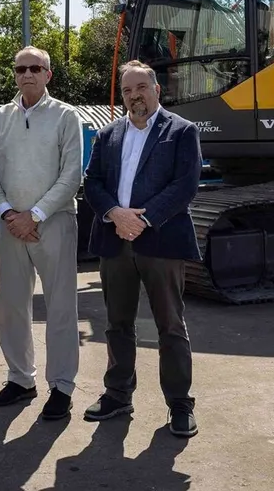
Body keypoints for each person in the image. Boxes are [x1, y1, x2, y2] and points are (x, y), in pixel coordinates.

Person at [81, 59, 202, 438]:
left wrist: (143, 220)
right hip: (115, 242)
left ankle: (180, 405)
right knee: (118, 324)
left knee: (170, 326)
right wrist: (116, 214)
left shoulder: (181, 132)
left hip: (161, 241)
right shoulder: (108, 135)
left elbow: (185, 185)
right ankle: (118, 395)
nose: (135, 96)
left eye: (141, 88)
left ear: (157, 90)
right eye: (128, 90)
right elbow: (93, 181)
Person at [0, 46, 84, 421]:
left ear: (48, 74)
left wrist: (36, 215)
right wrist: (10, 213)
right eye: (20, 68)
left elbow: (71, 174)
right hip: (10, 225)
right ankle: (20, 378)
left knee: (60, 307)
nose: (27, 74)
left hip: (53, 223)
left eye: (35, 68)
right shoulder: (0, 117)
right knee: (11, 307)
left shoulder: (65, 116)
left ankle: (61, 385)